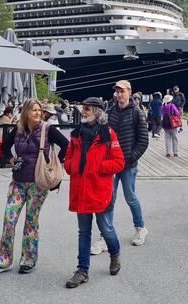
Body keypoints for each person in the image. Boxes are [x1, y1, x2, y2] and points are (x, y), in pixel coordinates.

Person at [0, 99, 69, 275]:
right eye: (34, 110)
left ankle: (28, 260)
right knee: (9, 219)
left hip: (38, 184)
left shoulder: (48, 129)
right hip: (18, 182)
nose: (38, 113)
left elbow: (67, 145)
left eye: (39, 110)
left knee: (31, 222)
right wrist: (11, 159)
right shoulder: (18, 129)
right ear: (26, 113)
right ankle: (3, 260)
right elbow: (4, 147)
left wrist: (55, 163)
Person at [64, 97, 125, 289]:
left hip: (100, 190)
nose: (83, 112)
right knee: (84, 232)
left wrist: (99, 166)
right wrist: (70, 165)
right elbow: (68, 156)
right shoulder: (76, 134)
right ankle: (82, 271)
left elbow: (119, 162)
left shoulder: (108, 134)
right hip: (81, 189)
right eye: (83, 108)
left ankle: (114, 253)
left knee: (106, 228)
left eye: (87, 109)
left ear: (98, 112)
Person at [90, 79, 149, 255]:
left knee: (130, 197)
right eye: (117, 91)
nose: (119, 94)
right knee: (109, 198)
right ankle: (105, 237)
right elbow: (101, 133)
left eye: (122, 91)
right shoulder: (110, 111)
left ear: (129, 92)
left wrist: (130, 157)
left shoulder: (137, 113)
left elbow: (143, 141)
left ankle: (140, 227)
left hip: (128, 164)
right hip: (110, 164)